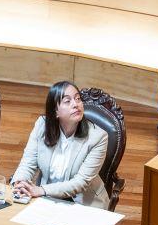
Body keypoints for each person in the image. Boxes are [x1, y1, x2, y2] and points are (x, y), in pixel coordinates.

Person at [11, 81, 110, 209]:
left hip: (84, 204)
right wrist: (20, 183)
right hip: (47, 200)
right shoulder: (42, 125)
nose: (76, 104)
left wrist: (41, 190)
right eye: (67, 101)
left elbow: (80, 183)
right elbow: (28, 162)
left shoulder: (98, 137)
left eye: (78, 99)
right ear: (55, 111)